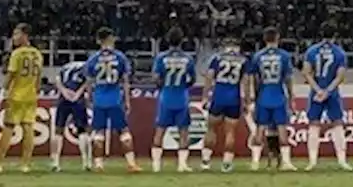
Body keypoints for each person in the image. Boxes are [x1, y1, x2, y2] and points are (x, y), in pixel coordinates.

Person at [83, 26, 141, 173]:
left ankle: (98, 164)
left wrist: (89, 98)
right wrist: (127, 101)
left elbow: (89, 82)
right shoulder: (120, 57)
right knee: (124, 131)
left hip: (99, 99)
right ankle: (131, 163)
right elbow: (126, 81)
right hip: (115, 98)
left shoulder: (93, 59)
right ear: (110, 39)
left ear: (98, 41)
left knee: (98, 132)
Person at [244, 26, 295, 172]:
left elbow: (253, 78)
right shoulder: (284, 56)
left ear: (265, 39)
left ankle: (255, 162)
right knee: (282, 129)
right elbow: (288, 78)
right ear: (278, 38)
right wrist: (291, 96)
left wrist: (253, 96)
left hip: (263, 96)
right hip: (278, 95)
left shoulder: (258, 56)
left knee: (260, 130)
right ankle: (286, 162)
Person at [0, 23, 42, 173]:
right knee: (28, 128)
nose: (13, 38)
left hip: (16, 95)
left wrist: (2, 93)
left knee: (8, 127)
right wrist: (36, 92)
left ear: (25, 36)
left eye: (16, 34)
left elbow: (11, 75)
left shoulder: (17, 54)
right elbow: (39, 78)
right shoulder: (37, 54)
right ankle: (25, 164)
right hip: (31, 96)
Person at [303, 23, 350, 171]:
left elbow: (306, 73)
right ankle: (342, 161)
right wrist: (328, 91)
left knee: (314, 125)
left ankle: (312, 161)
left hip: (316, 92)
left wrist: (318, 90)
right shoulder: (340, 53)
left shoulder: (311, 51)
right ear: (335, 35)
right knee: (337, 124)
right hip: (332, 92)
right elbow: (340, 76)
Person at [151, 27, 197, 173]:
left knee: (160, 130)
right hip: (181, 97)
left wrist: (162, 86)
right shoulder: (188, 58)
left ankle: (156, 165)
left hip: (166, 96)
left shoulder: (161, 58)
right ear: (182, 41)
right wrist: (184, 86)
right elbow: (192, 79)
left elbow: (155, 78)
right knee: (183, 131)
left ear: (167, 40)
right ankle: (182, 165)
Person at [203, 35, 247, 172]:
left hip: (218, 97)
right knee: (230, 132)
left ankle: (205, 161)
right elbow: (245, 82)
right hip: (234, 98)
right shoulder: (244, 60)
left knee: (211, 129)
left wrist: (205, 96)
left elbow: (209, 77)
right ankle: (226, 163)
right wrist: (245, 100)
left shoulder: (217, 58)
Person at [51, 60, 91, 172]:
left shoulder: (65, 67)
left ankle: (55, 162)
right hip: (77, 98)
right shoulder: (86, 66)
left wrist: (64, 92)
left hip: (63, 98)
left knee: (59, 129)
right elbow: (88, 81)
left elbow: (57, 80)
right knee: (82, 129)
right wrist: (78, 94)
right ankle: (86, 162)